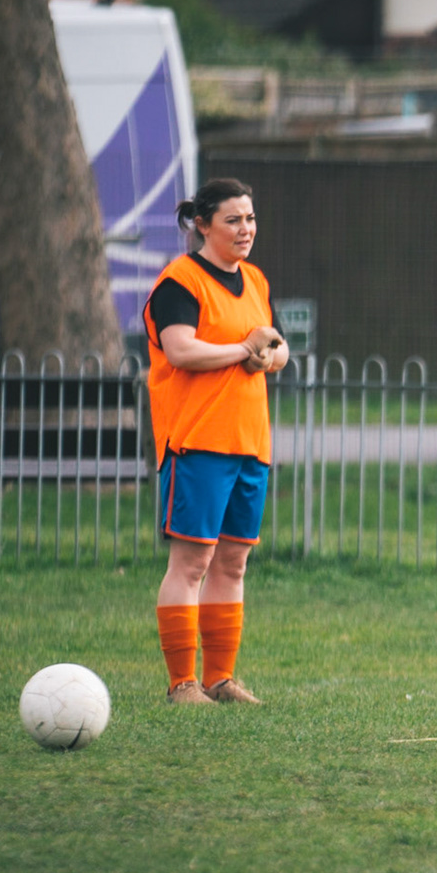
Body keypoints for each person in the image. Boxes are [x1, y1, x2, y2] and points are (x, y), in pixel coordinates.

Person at [144, 177, 288, 705]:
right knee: (192, 564)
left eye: (250, 219)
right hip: (198, 442)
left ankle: (220, 679)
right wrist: (244, 349)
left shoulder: (254, 280)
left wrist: (269, 355)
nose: (245, 229)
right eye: (233, 219)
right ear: (203, 225)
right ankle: (182, 683)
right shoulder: (179, 282)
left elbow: (274, 346)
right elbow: (180, 351)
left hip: (250, 443)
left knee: (232, 564)